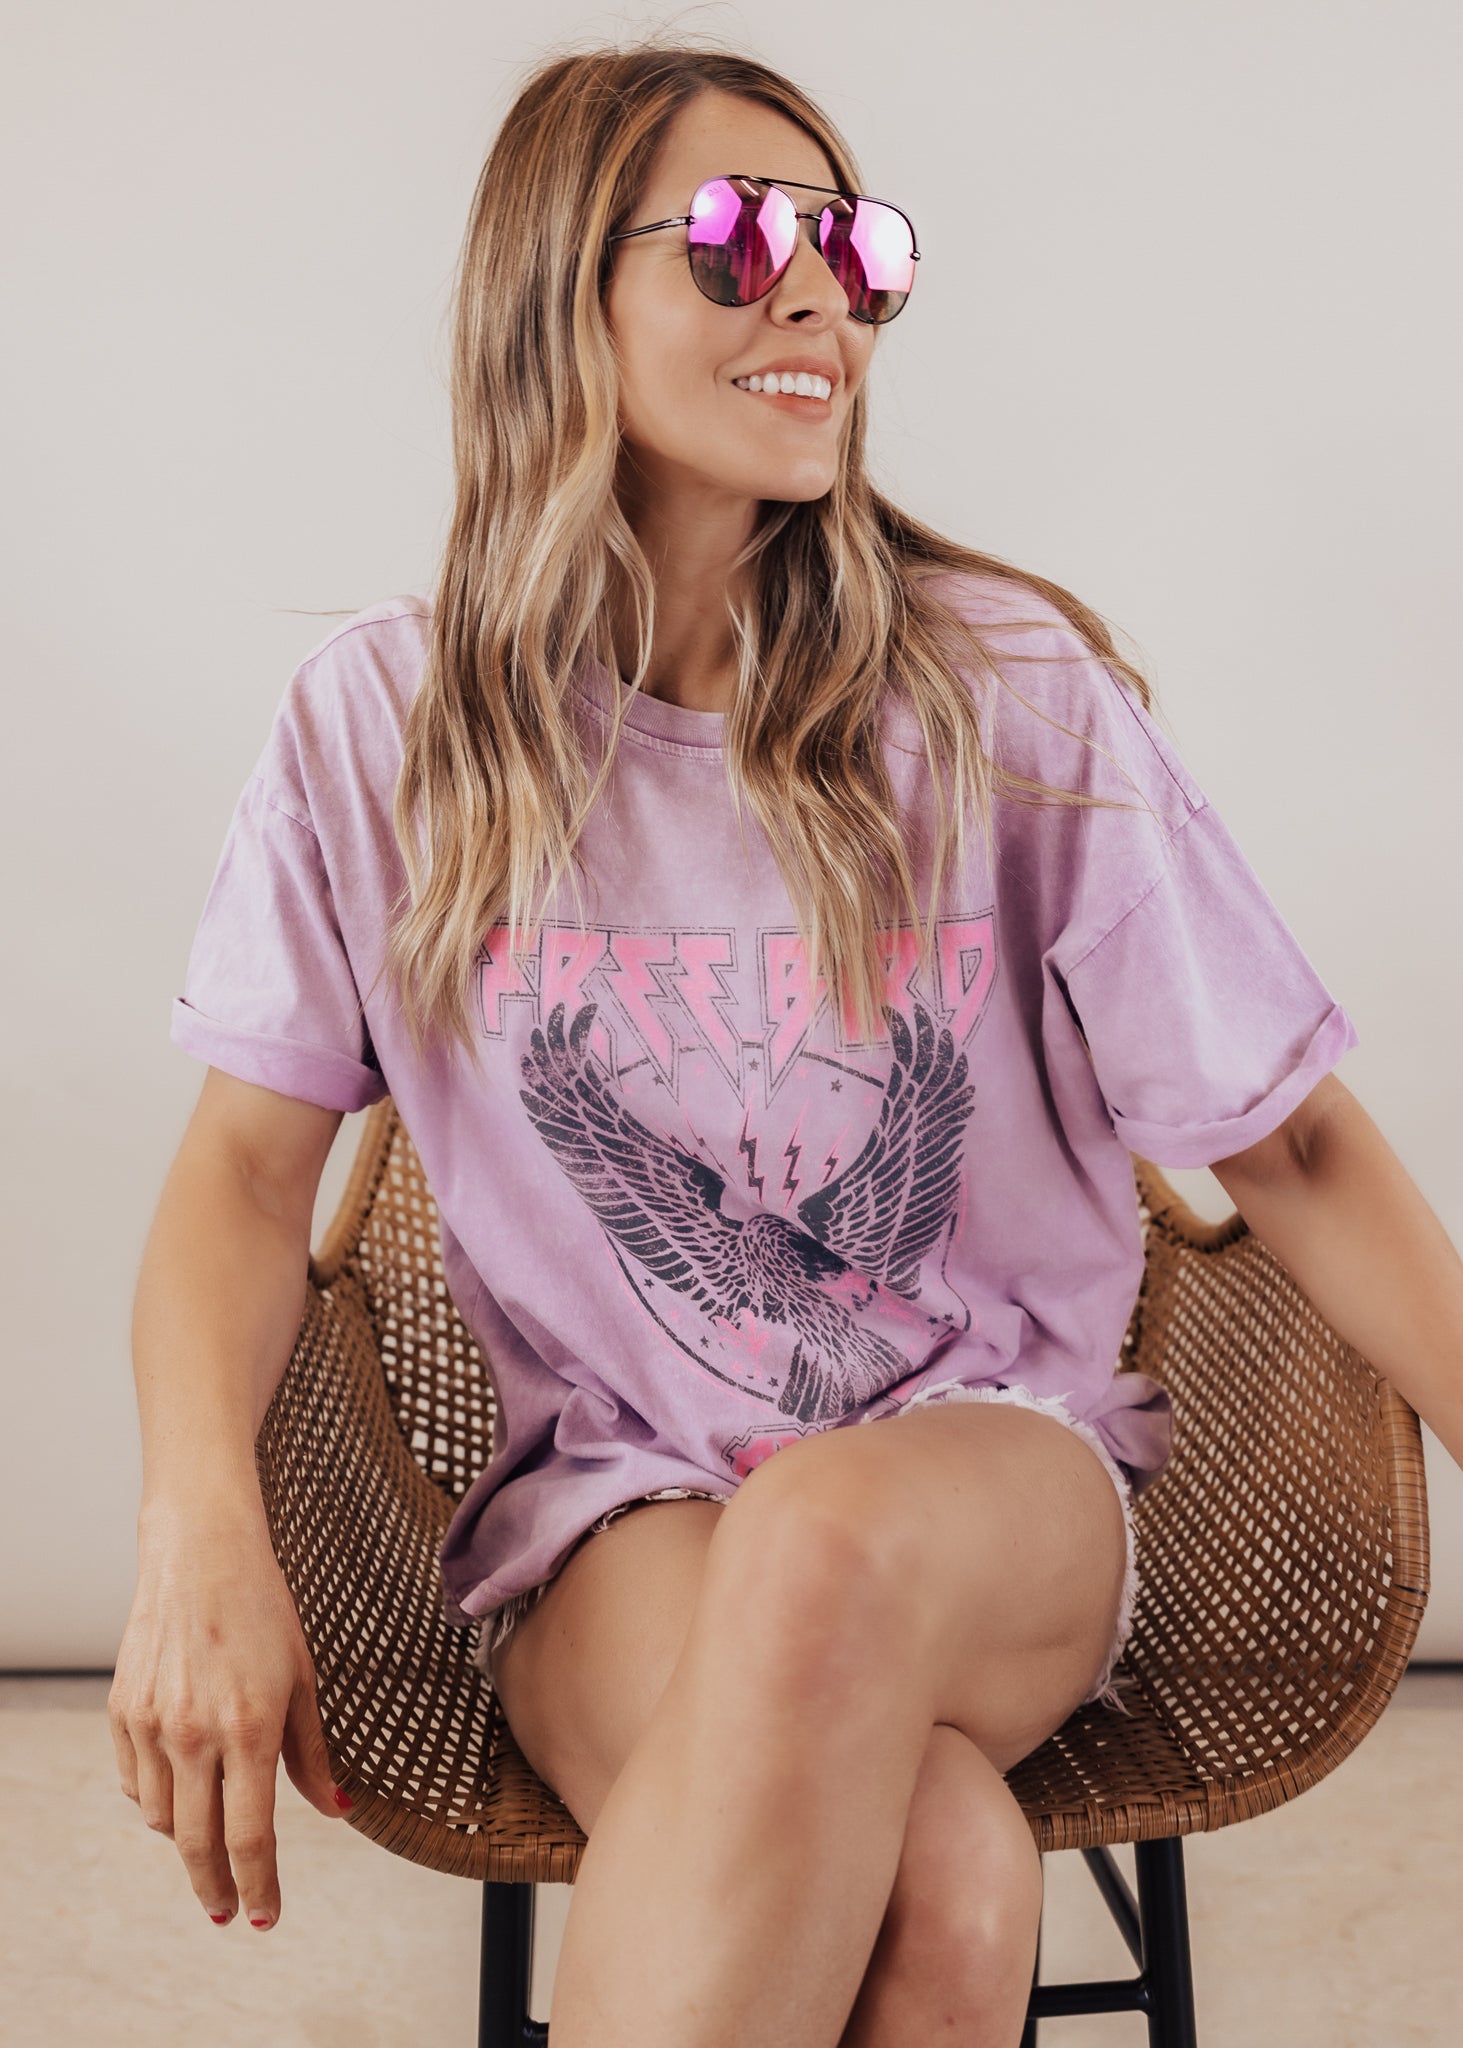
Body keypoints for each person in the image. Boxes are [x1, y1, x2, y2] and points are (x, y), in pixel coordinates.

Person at [109, 35, 1461, 2048]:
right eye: (744, 240)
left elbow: (1298, 1146)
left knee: (827, 1537)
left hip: (992, 1482)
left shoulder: (1003, 695)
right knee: (948, 1873)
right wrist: (194, 1527)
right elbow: (239, 1175)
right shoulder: (382, 732)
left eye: (859, 245)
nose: (821, 293)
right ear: (559, 291)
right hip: (616, 1516)